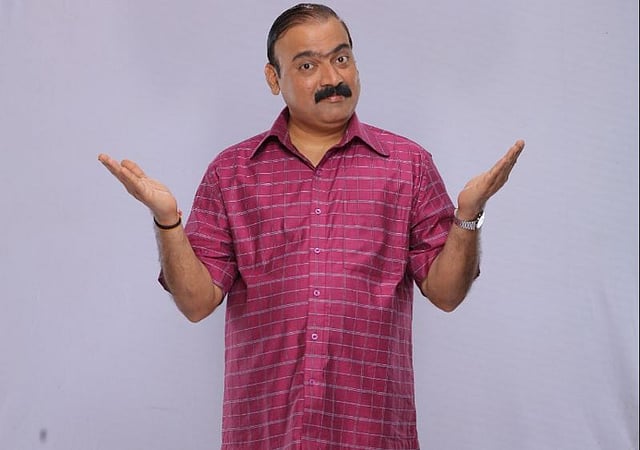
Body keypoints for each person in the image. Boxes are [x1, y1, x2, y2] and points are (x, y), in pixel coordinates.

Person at [98, 3, 524, 449]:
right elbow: (196, 303)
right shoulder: (231, 173)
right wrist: (167, 220)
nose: (331, 78)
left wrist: (468, 215)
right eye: (307, 65)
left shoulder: (408, 166)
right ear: (273, 78)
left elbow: (447, 294)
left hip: (370, 430)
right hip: (266, 431)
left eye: (341, 58)